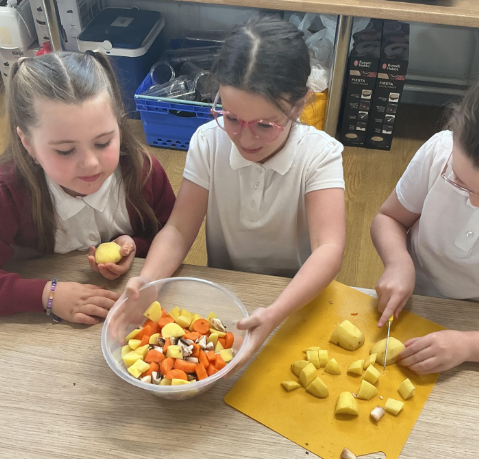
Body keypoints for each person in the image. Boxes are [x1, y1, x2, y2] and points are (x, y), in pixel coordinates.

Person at [126, 17, 346, 367]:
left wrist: (275, 312)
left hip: (296, 299)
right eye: (230, 118)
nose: (244, 138)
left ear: (300, 104)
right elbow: (179, 230)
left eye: (265, 125)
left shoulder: (320, 155)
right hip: (228, 292)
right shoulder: (208, 142)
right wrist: (149, 281)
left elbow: (329, 249)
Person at [0, 52, 176, 324]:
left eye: (103, 143)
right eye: (65, 150)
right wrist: (46, 295)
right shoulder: (9, 192)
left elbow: (171, 234)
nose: (91, 163)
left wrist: (135, 245)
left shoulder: (144, 172)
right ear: (27, 142)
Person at [371, 68, 479, 374]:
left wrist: (469, 346)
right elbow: (389, 218)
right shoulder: (440, 152)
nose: (475, 201)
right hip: (415, 300)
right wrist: (398, 263)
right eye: (459, 180)